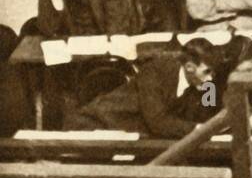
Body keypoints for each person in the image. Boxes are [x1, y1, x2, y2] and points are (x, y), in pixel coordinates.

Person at [72, 40, 220, 137]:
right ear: (189, 67)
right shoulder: (154, 71)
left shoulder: (202, 83)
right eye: (207, 71)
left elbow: (203, 116)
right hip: (97, 125)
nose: (211, 78)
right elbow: (157, 122)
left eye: (213, 72)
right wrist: (198, 129)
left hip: (134, 135)